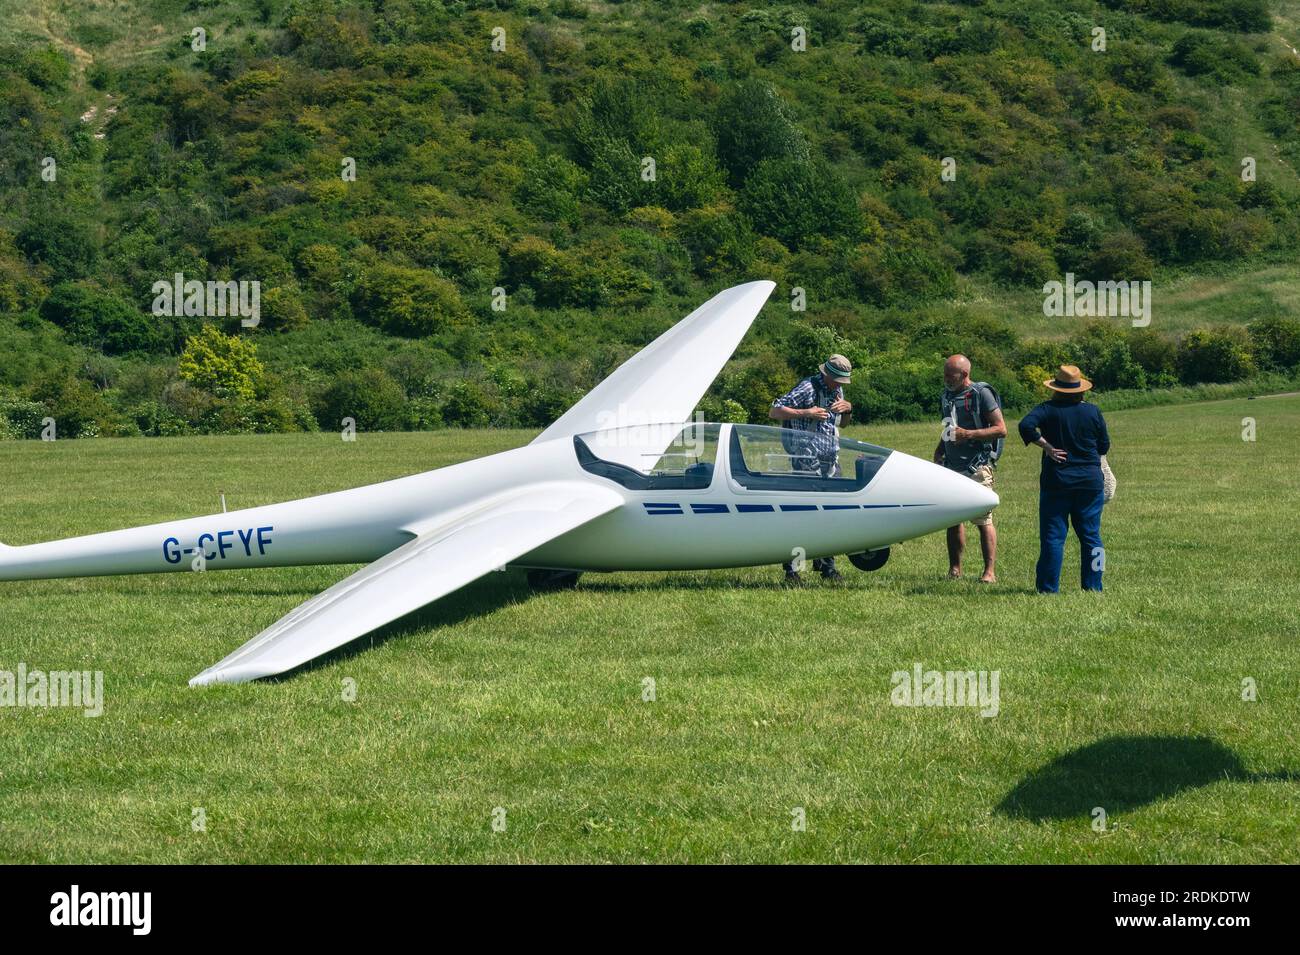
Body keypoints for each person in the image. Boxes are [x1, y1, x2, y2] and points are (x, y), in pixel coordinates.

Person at [1018, 365, 1111, 594]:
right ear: (1080, 389)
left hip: (1057, 480)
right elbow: (1104, 445)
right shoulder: (1093, 411)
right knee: (1092, 536)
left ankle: (1048, 588)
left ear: (1056, 388)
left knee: (1053, 537)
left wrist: (1047, 446)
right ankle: (1094, 586)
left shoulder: (1047, 409)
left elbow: (1025, 425)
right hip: (1090, 481)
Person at [768, 354, 854, 585]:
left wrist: (848, 410)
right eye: (836, 380)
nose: (839, 385)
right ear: (826, 374)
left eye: (842, 382)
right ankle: (792, 571)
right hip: (805, 461)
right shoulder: (806, 387)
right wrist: (806, 413)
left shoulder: (837, 391)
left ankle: (826, 566)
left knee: (831, 515)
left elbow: (842, 424)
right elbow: (774, 411)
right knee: (802, 516)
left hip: (831, 460)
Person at [932, 355, 1006, 583]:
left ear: (964, 375)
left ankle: (989, 572)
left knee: (983, 519)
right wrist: (940, 449)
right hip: (951, 465)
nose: (945, 379)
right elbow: (948, 426)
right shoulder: (946, 395)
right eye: (944, 374)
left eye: (950, 375)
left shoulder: (981, 394)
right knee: (953, 519)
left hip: (978, 464)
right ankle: (955, 569)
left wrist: (969, 435)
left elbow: (1001, 429)